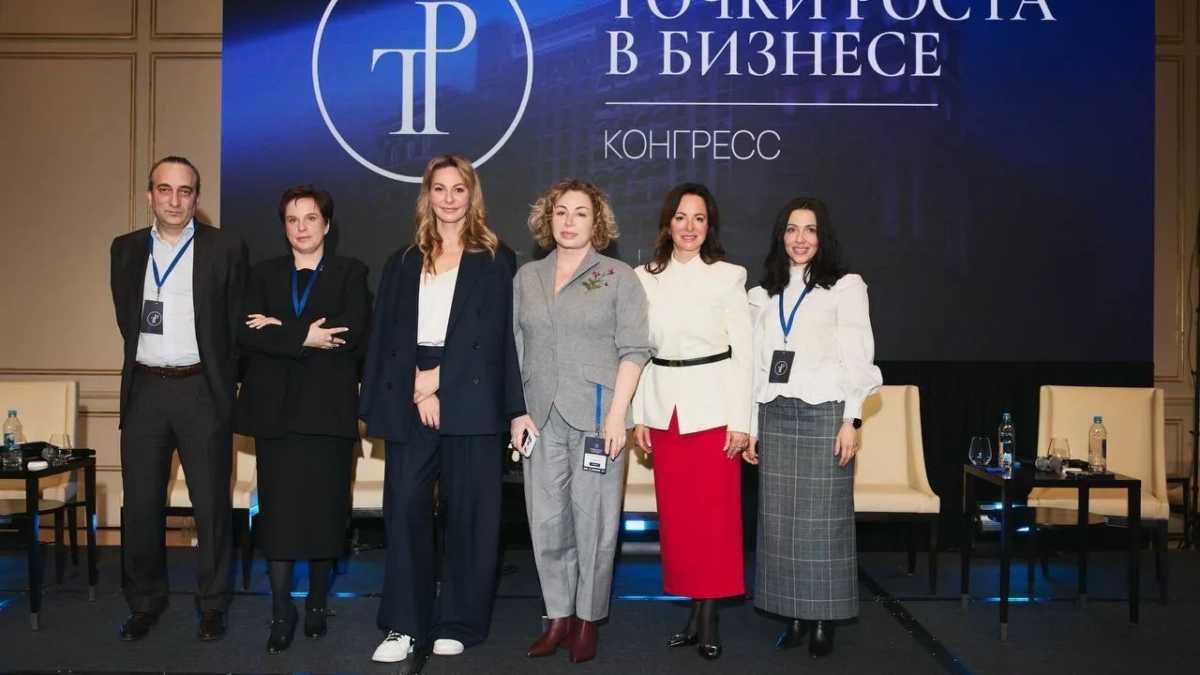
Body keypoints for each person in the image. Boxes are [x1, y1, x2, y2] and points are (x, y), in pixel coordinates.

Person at [359, 155, 529, 666]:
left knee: (472, 514)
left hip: (472, 398)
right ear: (427, 195)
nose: (449, 198)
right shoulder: (402, 260)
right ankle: (404, 625)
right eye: (440, 188)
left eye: (459, 188)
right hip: (410, 392)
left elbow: (495, 340)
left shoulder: (496, 258)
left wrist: (440, 381)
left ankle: (458, 622)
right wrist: (418, 385)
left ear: (472, 195)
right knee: (405, 511)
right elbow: (386, 334)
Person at [513, 178, 652, 664]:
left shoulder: (619, 276)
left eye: (580, 213)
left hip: (598, 420)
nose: (569, 222)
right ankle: (558, 618)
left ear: (597, 223)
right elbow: (515, 349)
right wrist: (516, 412)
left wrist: (618, 416)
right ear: (547, 220)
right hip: (540, 418)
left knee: (595, 523)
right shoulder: (527, 277)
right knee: (546, 521)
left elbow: (634, 350)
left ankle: (588, 619)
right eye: (561, 212)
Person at [109, 155, 248, 642]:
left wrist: (223, 381)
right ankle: (144, 602)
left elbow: (235, 325)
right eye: (164, 190)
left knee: (210, 506)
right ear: (150, 195)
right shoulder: (125, 249)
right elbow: (127, 318)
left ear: (196, 197)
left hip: (201, 390)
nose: (174, 200)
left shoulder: (225, 247)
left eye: (184, 191)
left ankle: (212, 604)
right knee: (141, 505)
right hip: (145, 390)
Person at [743, 197, 882, 658]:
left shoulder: (845, 286)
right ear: (780, 236)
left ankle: (824, 618)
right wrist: (751, 426)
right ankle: (794, 615)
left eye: (810, 230)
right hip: (775, 414)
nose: (800, 239)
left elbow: (858, 356)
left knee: (824, 523)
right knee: (779, 523)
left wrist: (851, 419)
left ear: (824, 237)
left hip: (826, 414)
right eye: (791, 229)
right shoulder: (763, 294)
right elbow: (755, 366)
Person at [233, 185, 370, 653]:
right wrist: (305, 336)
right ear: (284, 227)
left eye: (310, 218)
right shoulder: (263, 274)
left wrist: (280, 331)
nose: (302, 227)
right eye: (293, 220)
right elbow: (246, 332)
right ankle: (280, 611)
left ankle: (315, 603)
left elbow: (351, 332)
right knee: (279, 518)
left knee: (323, 516)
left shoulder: (351, 272)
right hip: (275, 416)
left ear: (326, 224)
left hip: (328, 415)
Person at [630, 183, 752, 661]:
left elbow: (745, 354)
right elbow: (638, 351)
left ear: (710, 226)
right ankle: (693, 611)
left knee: (714, 521)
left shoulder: (728, 276)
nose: (689, 226)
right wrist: (640, 413)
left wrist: (742, 421)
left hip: (715, 412)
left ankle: (710, 616)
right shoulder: (643, 277)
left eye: (699, 218)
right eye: (681, 217)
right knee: (680, 522)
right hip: (665, 410)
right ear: (667, 223)